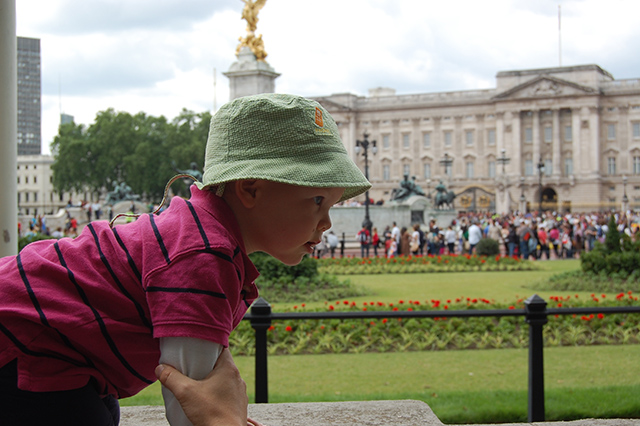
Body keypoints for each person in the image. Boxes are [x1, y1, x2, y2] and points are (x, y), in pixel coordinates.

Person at [0, 94, 371, 426]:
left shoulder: (200, 233)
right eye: (317, 201)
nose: (327, 222)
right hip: (23, 345)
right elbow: (189, 395)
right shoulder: (204, 254)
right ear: (250, 189)